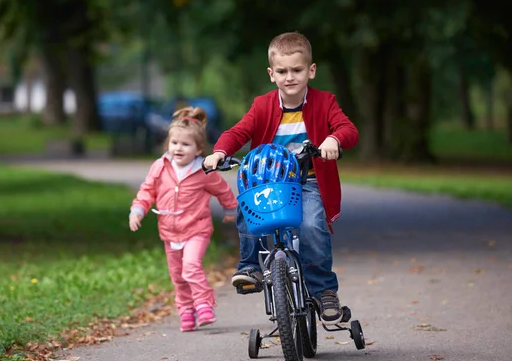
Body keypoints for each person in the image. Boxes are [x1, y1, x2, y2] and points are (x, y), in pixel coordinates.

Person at [203, 32, 359, 324]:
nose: (290, 77)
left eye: (297, 70)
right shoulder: (262, 105)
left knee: (312, 225)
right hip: (271, 181)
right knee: (248, 210)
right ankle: (250, 266)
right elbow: (238, 132)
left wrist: (334, 140)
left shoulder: (325, 102)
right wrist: (220, 151)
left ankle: (324, 290)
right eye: (283, 71)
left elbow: (348, 129)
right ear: (271, 74)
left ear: (310, 71)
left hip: (309, 181)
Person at [129, 106, 238, 332]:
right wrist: (138, 210)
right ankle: (186, 310)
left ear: (198, 149)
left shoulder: (203, 171)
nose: (178, 148)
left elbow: (223, 190)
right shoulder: (160, 167)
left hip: (197, 229)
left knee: (190, 266)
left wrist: (230, 209)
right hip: (169, 232)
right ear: (167, 144)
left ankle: (203, 304)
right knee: (178, 276)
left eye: (185, 144)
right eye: (174, 143)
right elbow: (147, 191)